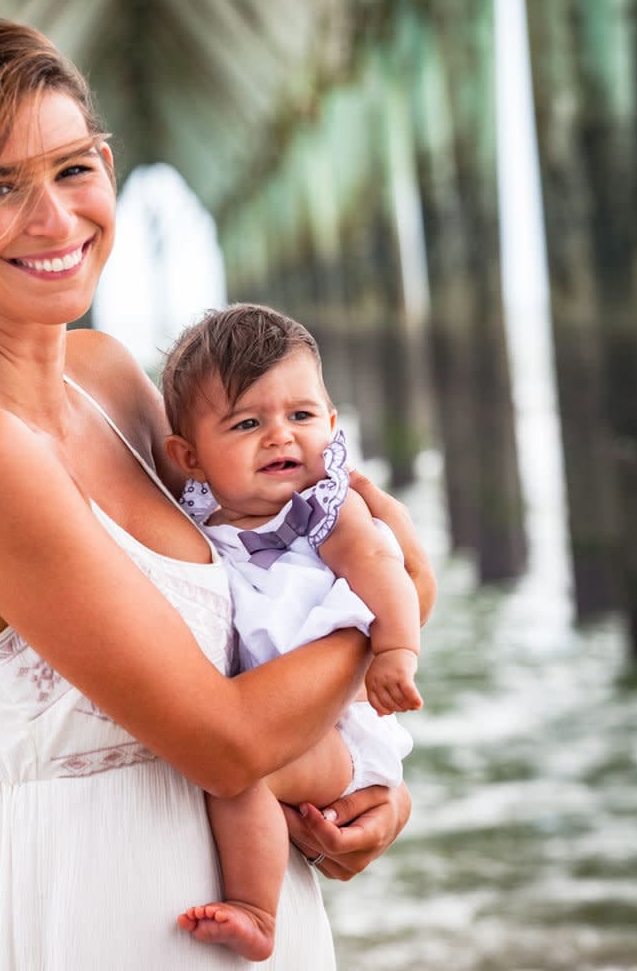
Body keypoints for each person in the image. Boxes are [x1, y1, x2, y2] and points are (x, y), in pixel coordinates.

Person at [0, 17, 435, 969]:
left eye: (71, 170)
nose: (53, 221)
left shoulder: (109, 379)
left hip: (247, 905)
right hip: (89, 914)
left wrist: (371, 790)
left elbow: (275, 583)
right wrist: (386, 614)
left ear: (106, 161)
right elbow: (225, 743)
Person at [161, 303, 423, 959]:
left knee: (244, 777)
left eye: (300, 417)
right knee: (242, 773)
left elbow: (383, 569)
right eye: (248, 423)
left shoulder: (324, 512)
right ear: (188, 456)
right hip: (283, 712)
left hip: (335, 729)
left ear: (331, 424)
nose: (281, 437)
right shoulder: (196, 518)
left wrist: (395, 650)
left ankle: (257, 907)